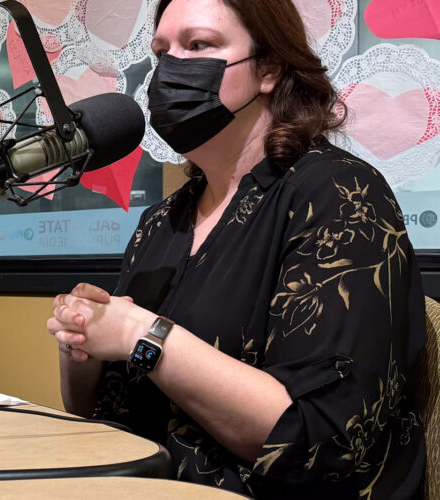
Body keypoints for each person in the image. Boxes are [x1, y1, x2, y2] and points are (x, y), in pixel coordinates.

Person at [46, 0, 426, 497]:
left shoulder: (339, 195)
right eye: (162, 52)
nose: (171, 69)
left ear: (269, 69)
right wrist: (84, 344)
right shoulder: (162, 222)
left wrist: (145, 333)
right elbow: (100, 411)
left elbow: (317, 441)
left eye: (199, 45)